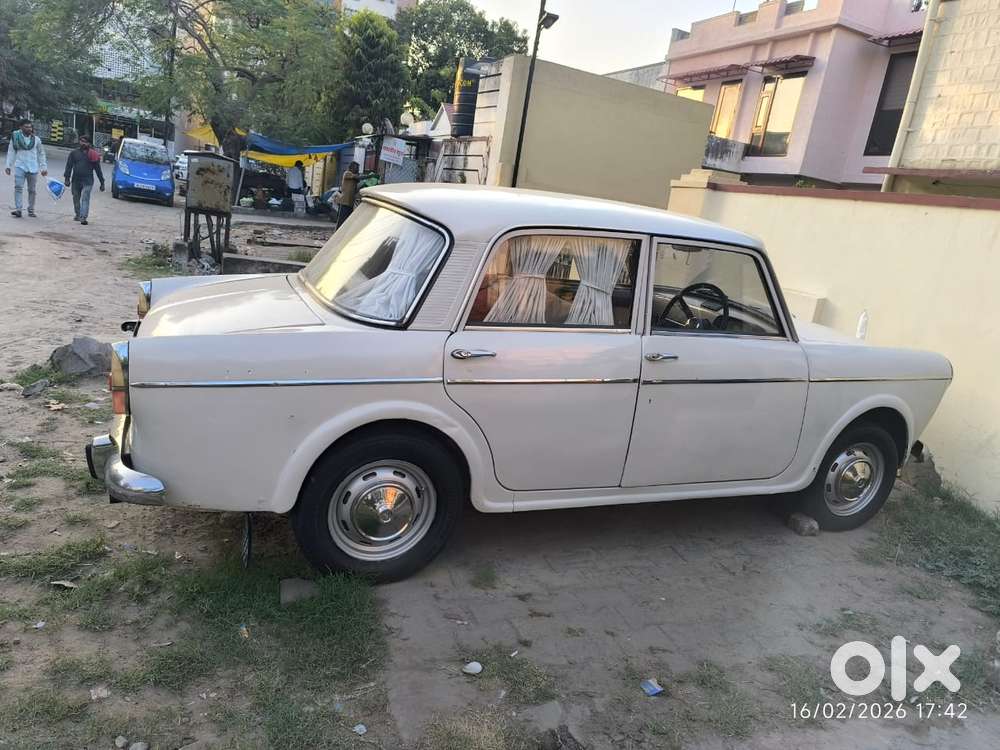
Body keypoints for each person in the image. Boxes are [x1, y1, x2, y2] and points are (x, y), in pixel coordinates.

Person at [5, 119, 48, 218]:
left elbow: (41, 154)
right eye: (27, 127)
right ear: (21, 127)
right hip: (20, 166)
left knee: (32, 190)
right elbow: (11, 151)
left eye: (30, 127)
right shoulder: (15, 137)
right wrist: (8, 165)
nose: (29, 129)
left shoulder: (36, 139)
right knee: (18, 187)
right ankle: (18, 209)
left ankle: (31, 210)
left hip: (33, 168)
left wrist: (43, 167)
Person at [63, 135, 106, 225]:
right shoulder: (74, 153)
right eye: (82, 141)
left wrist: (102, 182)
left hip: (88, 181)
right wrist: (67, 178)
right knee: (76, 198)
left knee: (85, 198)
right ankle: (78, 214)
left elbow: (98, 170)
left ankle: (83, 217)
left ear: (89, 144)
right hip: (76, 180)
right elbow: (69, 166)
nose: (83, 143)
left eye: (85, 142)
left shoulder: (93, 155)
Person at [336, 161, 360, 226]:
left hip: (350, 203)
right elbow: (357, 177)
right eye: (356, 167)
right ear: (351, 167)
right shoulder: (347, 173)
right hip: (344, 202)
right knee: (341, 221)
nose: (357, 169)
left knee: (347, 222)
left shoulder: (355, 178)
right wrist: (369, 176)